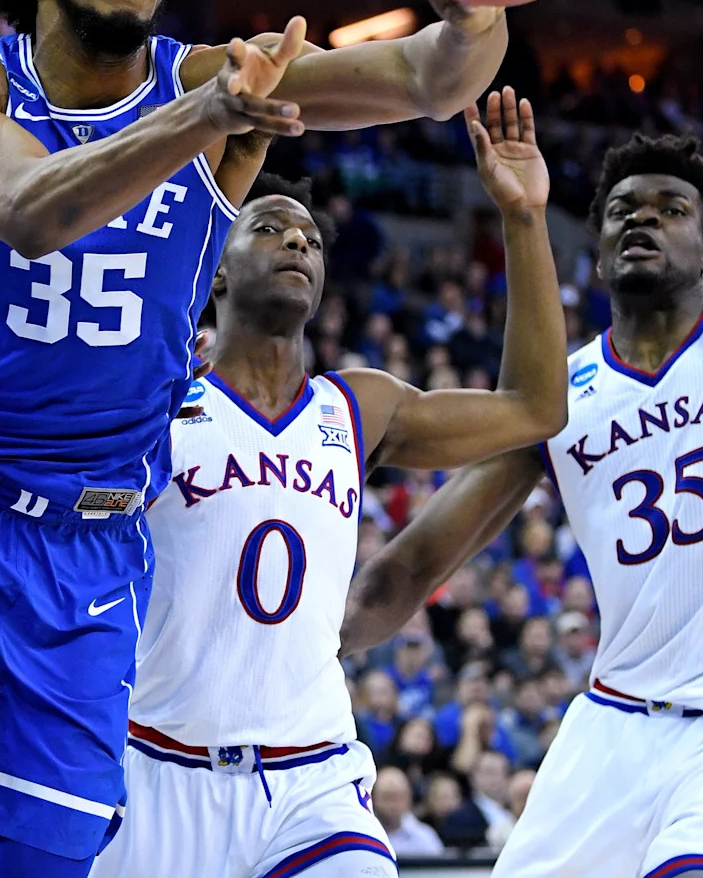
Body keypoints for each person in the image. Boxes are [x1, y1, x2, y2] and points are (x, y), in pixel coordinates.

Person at [0, 0, 509, 878]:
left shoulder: (205, 82)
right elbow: (29, 208)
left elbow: (427, 80)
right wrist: (206, 121)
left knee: (41, 867)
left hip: (96, 548)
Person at [93, 87, 565, 878]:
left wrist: (522, 219)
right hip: (157, 768)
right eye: (268, 228)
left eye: (310, 238)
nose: (296, 244)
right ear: (214, 272)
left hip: (313, 778)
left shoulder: (359, 405)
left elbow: (534, 408)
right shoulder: (158, 397)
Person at [342, 133, 703, 878]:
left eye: (670, 209)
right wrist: (306, 645)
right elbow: (416, 563)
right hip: (614, 723)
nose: (641, 220)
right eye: (622, 211)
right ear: (600, 245)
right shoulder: (557, 400)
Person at [371, 767, 443, 858]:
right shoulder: (362, 834)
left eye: (399, 797)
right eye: (387, 797)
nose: (393, 804)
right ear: (373, 799)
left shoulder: (425, 837)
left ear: (409, 798)